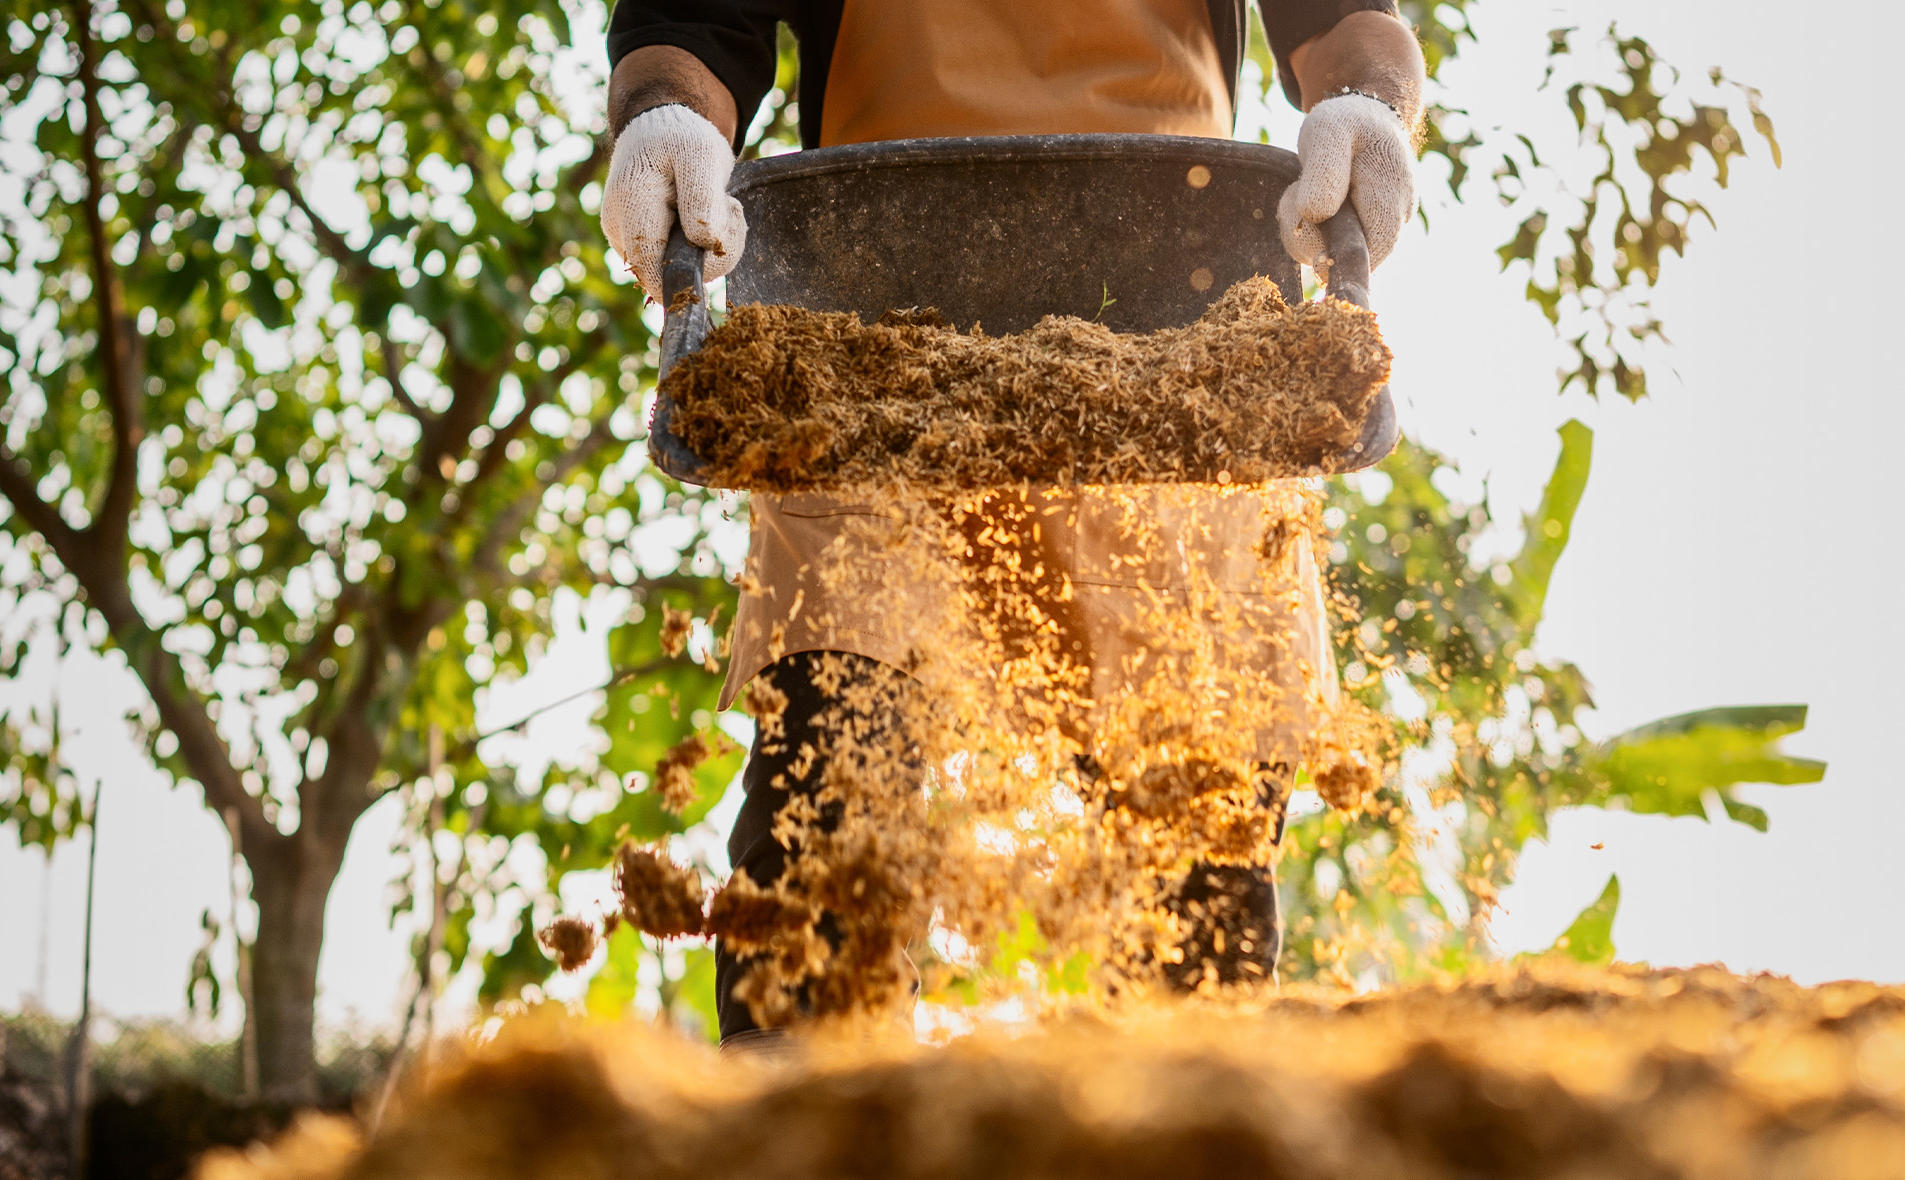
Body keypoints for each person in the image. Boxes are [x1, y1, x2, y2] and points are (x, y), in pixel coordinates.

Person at [600, 0, 1423, 1050]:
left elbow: (1350, 26)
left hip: (1177, 356)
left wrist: (1365, 108)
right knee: (825, 851)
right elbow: (688, 31)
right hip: (864, 362)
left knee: (1194, 914)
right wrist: (665, 125)